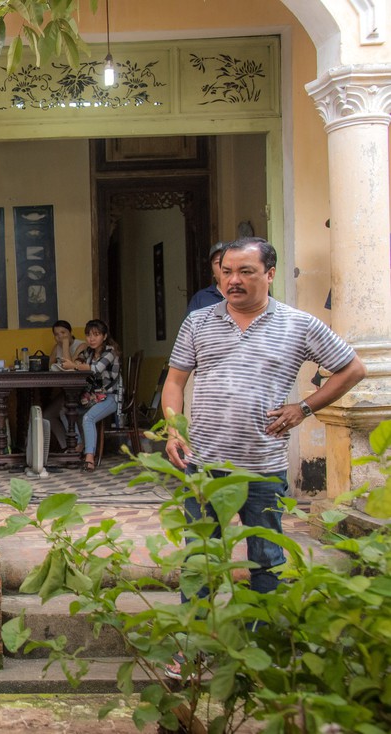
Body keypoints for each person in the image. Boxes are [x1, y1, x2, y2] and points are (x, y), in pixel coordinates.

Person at [161, 237, 366, 677]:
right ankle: (192, 650)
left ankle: (261, 651)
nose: (233, 280)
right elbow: (175, 381)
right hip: (205, 465)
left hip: (262, 465)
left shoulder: (299, 324)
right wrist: (174, 429)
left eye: (246, 272)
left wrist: (304, 407)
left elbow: (353, 368)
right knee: (200, 558)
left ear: (270, 274)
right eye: (227, 271)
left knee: (265, 559)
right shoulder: (198, 322)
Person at [58, 319, 120, 472]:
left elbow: (96, 368)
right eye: (88, 335)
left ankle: (89, 457)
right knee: (65, 411)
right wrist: (78, 361)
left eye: (96, 335)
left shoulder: (110, 352)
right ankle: (79, 444)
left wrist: (74, 366)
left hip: (110, 398)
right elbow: (80, 359)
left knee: (88, 418)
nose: (91, 339)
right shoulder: (89, 352)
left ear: (104, 337)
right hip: (92, 398)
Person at [44, 320, 87, 451]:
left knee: (65, 410)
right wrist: (60, 347)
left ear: (70, 332)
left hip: (82, 391)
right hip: (66, 391)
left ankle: (77, 444)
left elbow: (70, 370)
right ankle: (67, 446)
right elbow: (49, 366)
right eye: (56, 334)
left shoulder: (82, 346)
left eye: (63, 332)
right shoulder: (56, 347)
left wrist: (66, 345)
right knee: (47, 415)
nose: (60, 336)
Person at [186, 240, 227, 315]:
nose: (222, 265)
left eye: (225, 260)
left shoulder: (246, 292)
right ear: (212, 271)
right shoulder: (200, 298)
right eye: (217, 262)